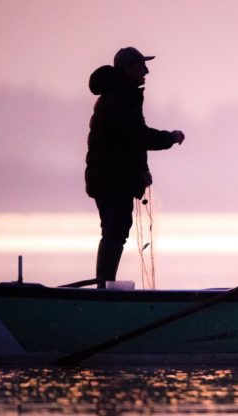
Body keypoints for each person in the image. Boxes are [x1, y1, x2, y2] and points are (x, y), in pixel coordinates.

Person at [85, 47, 185, 289]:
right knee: (115, 230)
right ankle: (104, 288)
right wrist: (170, 137)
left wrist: (142, 172)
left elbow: (129, 142)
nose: (146, 71)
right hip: (111, 180)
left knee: (115, 230)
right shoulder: (121, 98)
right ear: (128, 68)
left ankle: (104, 285)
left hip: (112, 178)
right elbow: (137, 136)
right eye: (141, 66)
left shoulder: (120, 95)